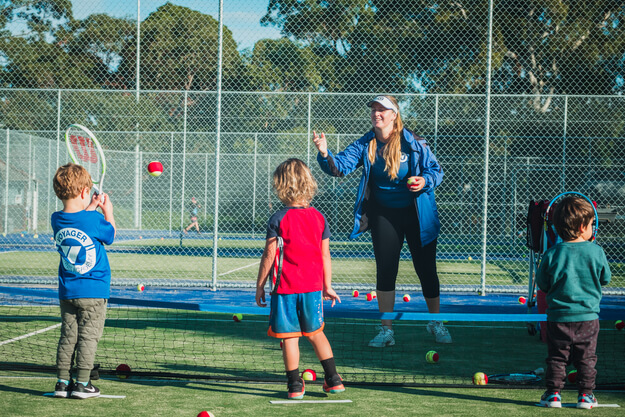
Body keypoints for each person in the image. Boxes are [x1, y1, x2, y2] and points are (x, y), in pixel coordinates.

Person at [313, 94, 450, 347]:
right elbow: (338, 167)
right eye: (374, 110)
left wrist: (424, 182)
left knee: (426, 270)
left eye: (382, 110)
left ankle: (436, 322)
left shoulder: (415, 143)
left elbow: (436, 171)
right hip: (384, 216)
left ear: (394, 115)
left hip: (418, 214)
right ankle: (386, 331)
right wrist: (324, 153)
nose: (377, 113)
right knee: (386, 272)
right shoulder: (366, 144)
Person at [255, 158, 344, 399]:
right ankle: (333, 379)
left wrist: (260, 286)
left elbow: (269, 254)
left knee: (290, 338)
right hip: (313, 289)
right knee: (316, 334)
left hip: (284, 290)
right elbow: (325, 255)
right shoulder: (319, 218)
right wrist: (328, 286)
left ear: (281, 185)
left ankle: (295, 385)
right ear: (308, 183)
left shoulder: (278, 219)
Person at [536, 195, 611, 409]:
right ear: (581, 227)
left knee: (557, 358)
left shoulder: (552, 253)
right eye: (591, 225)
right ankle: (586, 396)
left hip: (558, 318)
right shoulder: (597, 252)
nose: (592, 229)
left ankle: (553, 395)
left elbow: (543, 283)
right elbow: (605, 278)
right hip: (588, 319)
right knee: (587, 359)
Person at [51, 163, 116, 399]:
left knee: (68, 337)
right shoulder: (94, 220)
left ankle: (61, 383)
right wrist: (107, 210)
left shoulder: (56, 219)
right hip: (94, 291)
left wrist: (91, 206)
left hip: (68, 291)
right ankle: (81, 384)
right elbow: (110, 235)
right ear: (82, 192)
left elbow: (78, 219)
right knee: (88, 337)